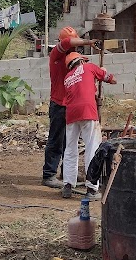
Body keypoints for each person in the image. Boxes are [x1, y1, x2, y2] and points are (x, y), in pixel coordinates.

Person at [42, 26, 100, 189]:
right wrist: (89, 42)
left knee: (70, 143)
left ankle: (67, 175)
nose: (74, 48)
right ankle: (49, 174)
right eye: (73, 45)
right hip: (59, 104)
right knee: (56, 140)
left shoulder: (72, 58)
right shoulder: (56, 55)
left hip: (72, 106)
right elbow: (68, 42)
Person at [61, 52, 117, 199]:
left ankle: (67, 185)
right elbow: (111, 79)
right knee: (92, 147)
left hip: (71, 113)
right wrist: (103, 71)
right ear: (81, 61)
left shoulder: (67, 78)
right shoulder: (89, 67)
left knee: (70, 149)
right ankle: (92, 188)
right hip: (87, 111)